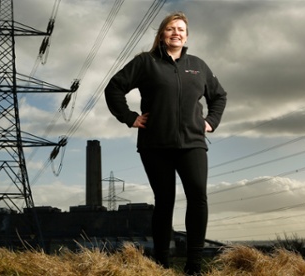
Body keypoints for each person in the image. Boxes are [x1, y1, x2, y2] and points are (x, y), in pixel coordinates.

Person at [104, 12, 227, 275]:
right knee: (165, 200)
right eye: (171, 29)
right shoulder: (145, 63)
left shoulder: (198, 65)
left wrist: (211, 121)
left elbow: (219, 96)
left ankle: (194, 265)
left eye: (181, 29)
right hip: (155, 145)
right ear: (162, 34)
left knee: (198, 197)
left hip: (192, 143)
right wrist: (130, 118)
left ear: (186, 35)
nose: (176, 33)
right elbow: (114, 87)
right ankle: (162, 264)